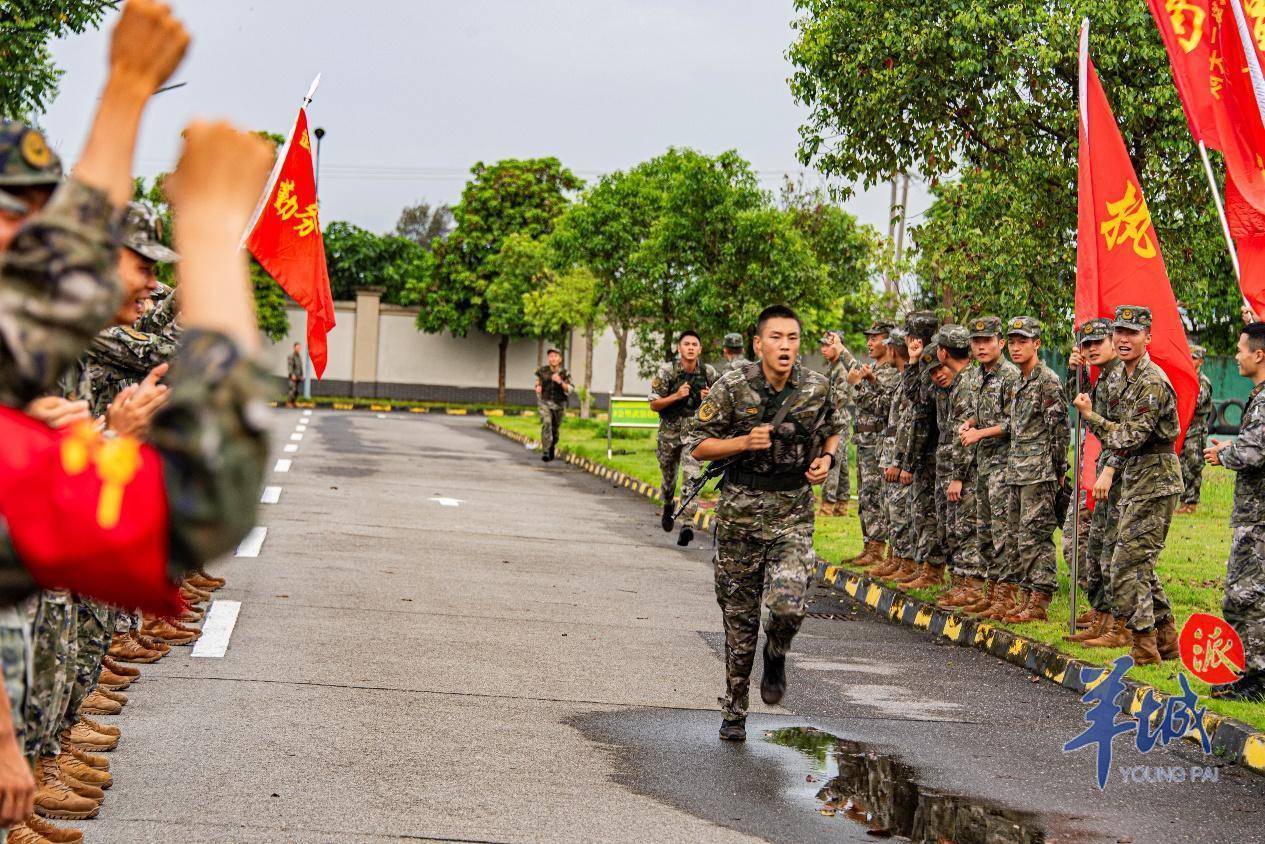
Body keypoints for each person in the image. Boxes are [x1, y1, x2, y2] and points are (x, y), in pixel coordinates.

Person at [689, 305, 842, 741]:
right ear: (759, 344)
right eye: (776, 338)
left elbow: (833, 428)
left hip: (792, 514)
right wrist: (742, 441)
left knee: (789, 603)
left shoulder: (817, 387)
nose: (785, 346)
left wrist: (826, 459)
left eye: (792, 338)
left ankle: (776, 652)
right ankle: (735, 709)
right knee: (738, 626)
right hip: (739, 520)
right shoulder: (733, 387)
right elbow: (697, 445)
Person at [1073, 306, 1181, 664]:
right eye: (1119, 332)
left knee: (1126, 565)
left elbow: (1129, 435)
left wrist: (1091, 418)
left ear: (1147, 338)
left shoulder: (1151, 382)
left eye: (1132, 333)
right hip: (1138, 478)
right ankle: (1163, 640)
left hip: (1155, 478)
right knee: (1138, 565)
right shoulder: (1129, 378)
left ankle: (1144, 647)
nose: (1123, 339)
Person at [989, 316, 1068, 623]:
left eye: (1023, 341)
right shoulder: (1019, 381)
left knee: (1035, 535)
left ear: (1037, 343)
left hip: (1040, 472)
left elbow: (1059, 428)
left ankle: (1039, 600)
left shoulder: (1046, 380)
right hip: (1017, 469)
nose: (1017, 347)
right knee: (1017, 536)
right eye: (1013, 341)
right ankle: (1024, 595)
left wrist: (1059, 468)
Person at [1206, 322, 1265, 700]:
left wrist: (1221, 453)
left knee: (1248, 597)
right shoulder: (1258, 396)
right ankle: (1250, 674)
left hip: (1259, 521)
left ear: (1259, 355)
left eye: (1241, 349)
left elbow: (1255, 450)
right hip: (1253, 516)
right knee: (1244, 597)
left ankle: (1257, 680)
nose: (1237, 355)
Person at [1059, 319, 1126, 643]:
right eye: (1086, 345)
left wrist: (1109, 469)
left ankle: (1118, 623)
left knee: (1112, 552)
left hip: (1116, 475)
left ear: (1113, 341)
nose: (1091, 349)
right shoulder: (1102, 378)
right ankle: (1102, 616)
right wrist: (1078, 374)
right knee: (1088, 548)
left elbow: (1123, 434)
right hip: (1095, 470)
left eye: (1098, 342)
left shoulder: (1123, 379)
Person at [957, 316, 1019, 615]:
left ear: (1001, 343)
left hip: (1004, 466)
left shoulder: (1010, 376)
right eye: (976, 342)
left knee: (1002, 532)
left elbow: (1012, 423)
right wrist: (969, 422)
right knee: (984, 532)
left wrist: (979, 432)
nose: (981, 347)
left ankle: (1005, 596)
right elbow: (980, 413)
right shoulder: (978, 375)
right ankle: (991, 590)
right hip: (984, 464)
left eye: (987, 341)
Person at [928, 326, 985, 606]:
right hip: (962, 467)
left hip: (967, 470)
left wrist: (957, 476)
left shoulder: (966, 383)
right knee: (957, 527)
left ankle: (971, 586)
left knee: (966, 527)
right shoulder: (967, 378)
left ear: (942, 352)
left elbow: (964, 436)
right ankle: (962, 582)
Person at [648, 331, 718, 546]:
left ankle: (687, 524)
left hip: (694, 433)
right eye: (686, 344)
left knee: (692, 477)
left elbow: (721, 402)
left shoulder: (709, 372)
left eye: (694, 344)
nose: (690, 347)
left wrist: (709, 399)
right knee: (669, 477)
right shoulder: (667, 371)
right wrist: (676, 396)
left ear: (700, 349)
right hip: (669, 432)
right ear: (679, 349)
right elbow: (653, 404)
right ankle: (668, 503)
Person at [891, 311, 943, 586]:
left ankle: (932, 570)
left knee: (928, 512)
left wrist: (909, 461)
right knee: (920, 510)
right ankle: (924, 566)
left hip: (934, 447)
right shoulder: (923, 357)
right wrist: (912, 362)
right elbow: (915, 397)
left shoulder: (933, 357)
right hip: (925, 447)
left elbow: (922, 403)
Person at [846, 321, 900, 567]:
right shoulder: (874, 369)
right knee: (866, 497)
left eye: (875, 338)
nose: (869, 342)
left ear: (888, 341)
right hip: (864, 441)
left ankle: (878, 548)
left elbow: (882, 406)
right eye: (868, 338)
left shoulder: (890, 372)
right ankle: (869, 544)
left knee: (877, 498)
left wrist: (858, 384)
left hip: (878, 442)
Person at [818, 330, 856, 517]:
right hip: (836, 419)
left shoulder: (841, 368)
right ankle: (842, 505)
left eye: (828, 345)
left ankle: (827, 506)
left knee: (831, 460)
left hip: (838, 420)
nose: (823, 349)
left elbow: (839, 398)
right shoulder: (832, 366)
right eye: (822, 345)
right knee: (840, 465)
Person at [1177, 344, 1214, 514]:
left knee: (1193, 463)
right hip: (1183, 426)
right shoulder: (1184, 378)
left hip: (1196, 428)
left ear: (1200, 361)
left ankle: (1191, 503)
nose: (1190, 361)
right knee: (1182, 463)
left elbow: (1196, 403)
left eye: (1193, 358)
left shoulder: (1203, 382)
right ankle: (1183, 501)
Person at [534, 348, 572, 463]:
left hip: (559, 404)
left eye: (555, 356)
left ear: (560, 359)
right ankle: (545, 451)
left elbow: (570, 389)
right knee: (547, 423)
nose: (553, 358)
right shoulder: (542, 371)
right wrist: (537, 387)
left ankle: (551, 446)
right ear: (548, 359)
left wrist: (560, 382)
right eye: (550, 356)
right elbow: (537, 382)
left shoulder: (565, 373)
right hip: (545, 402)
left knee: (555, 430)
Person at [287, 342, 304, 408]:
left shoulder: (299, 356)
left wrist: (302, 375)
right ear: (294, 348)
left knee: (297, 391)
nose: (298, 349)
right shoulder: (291, 356)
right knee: (292, 390)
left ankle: (293, 402)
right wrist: (292, 374)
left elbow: (300, 367)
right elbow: (290, 366)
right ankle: (289, 402)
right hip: (293, 376)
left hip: (298, 376)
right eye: (297, 347)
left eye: (299, 348)